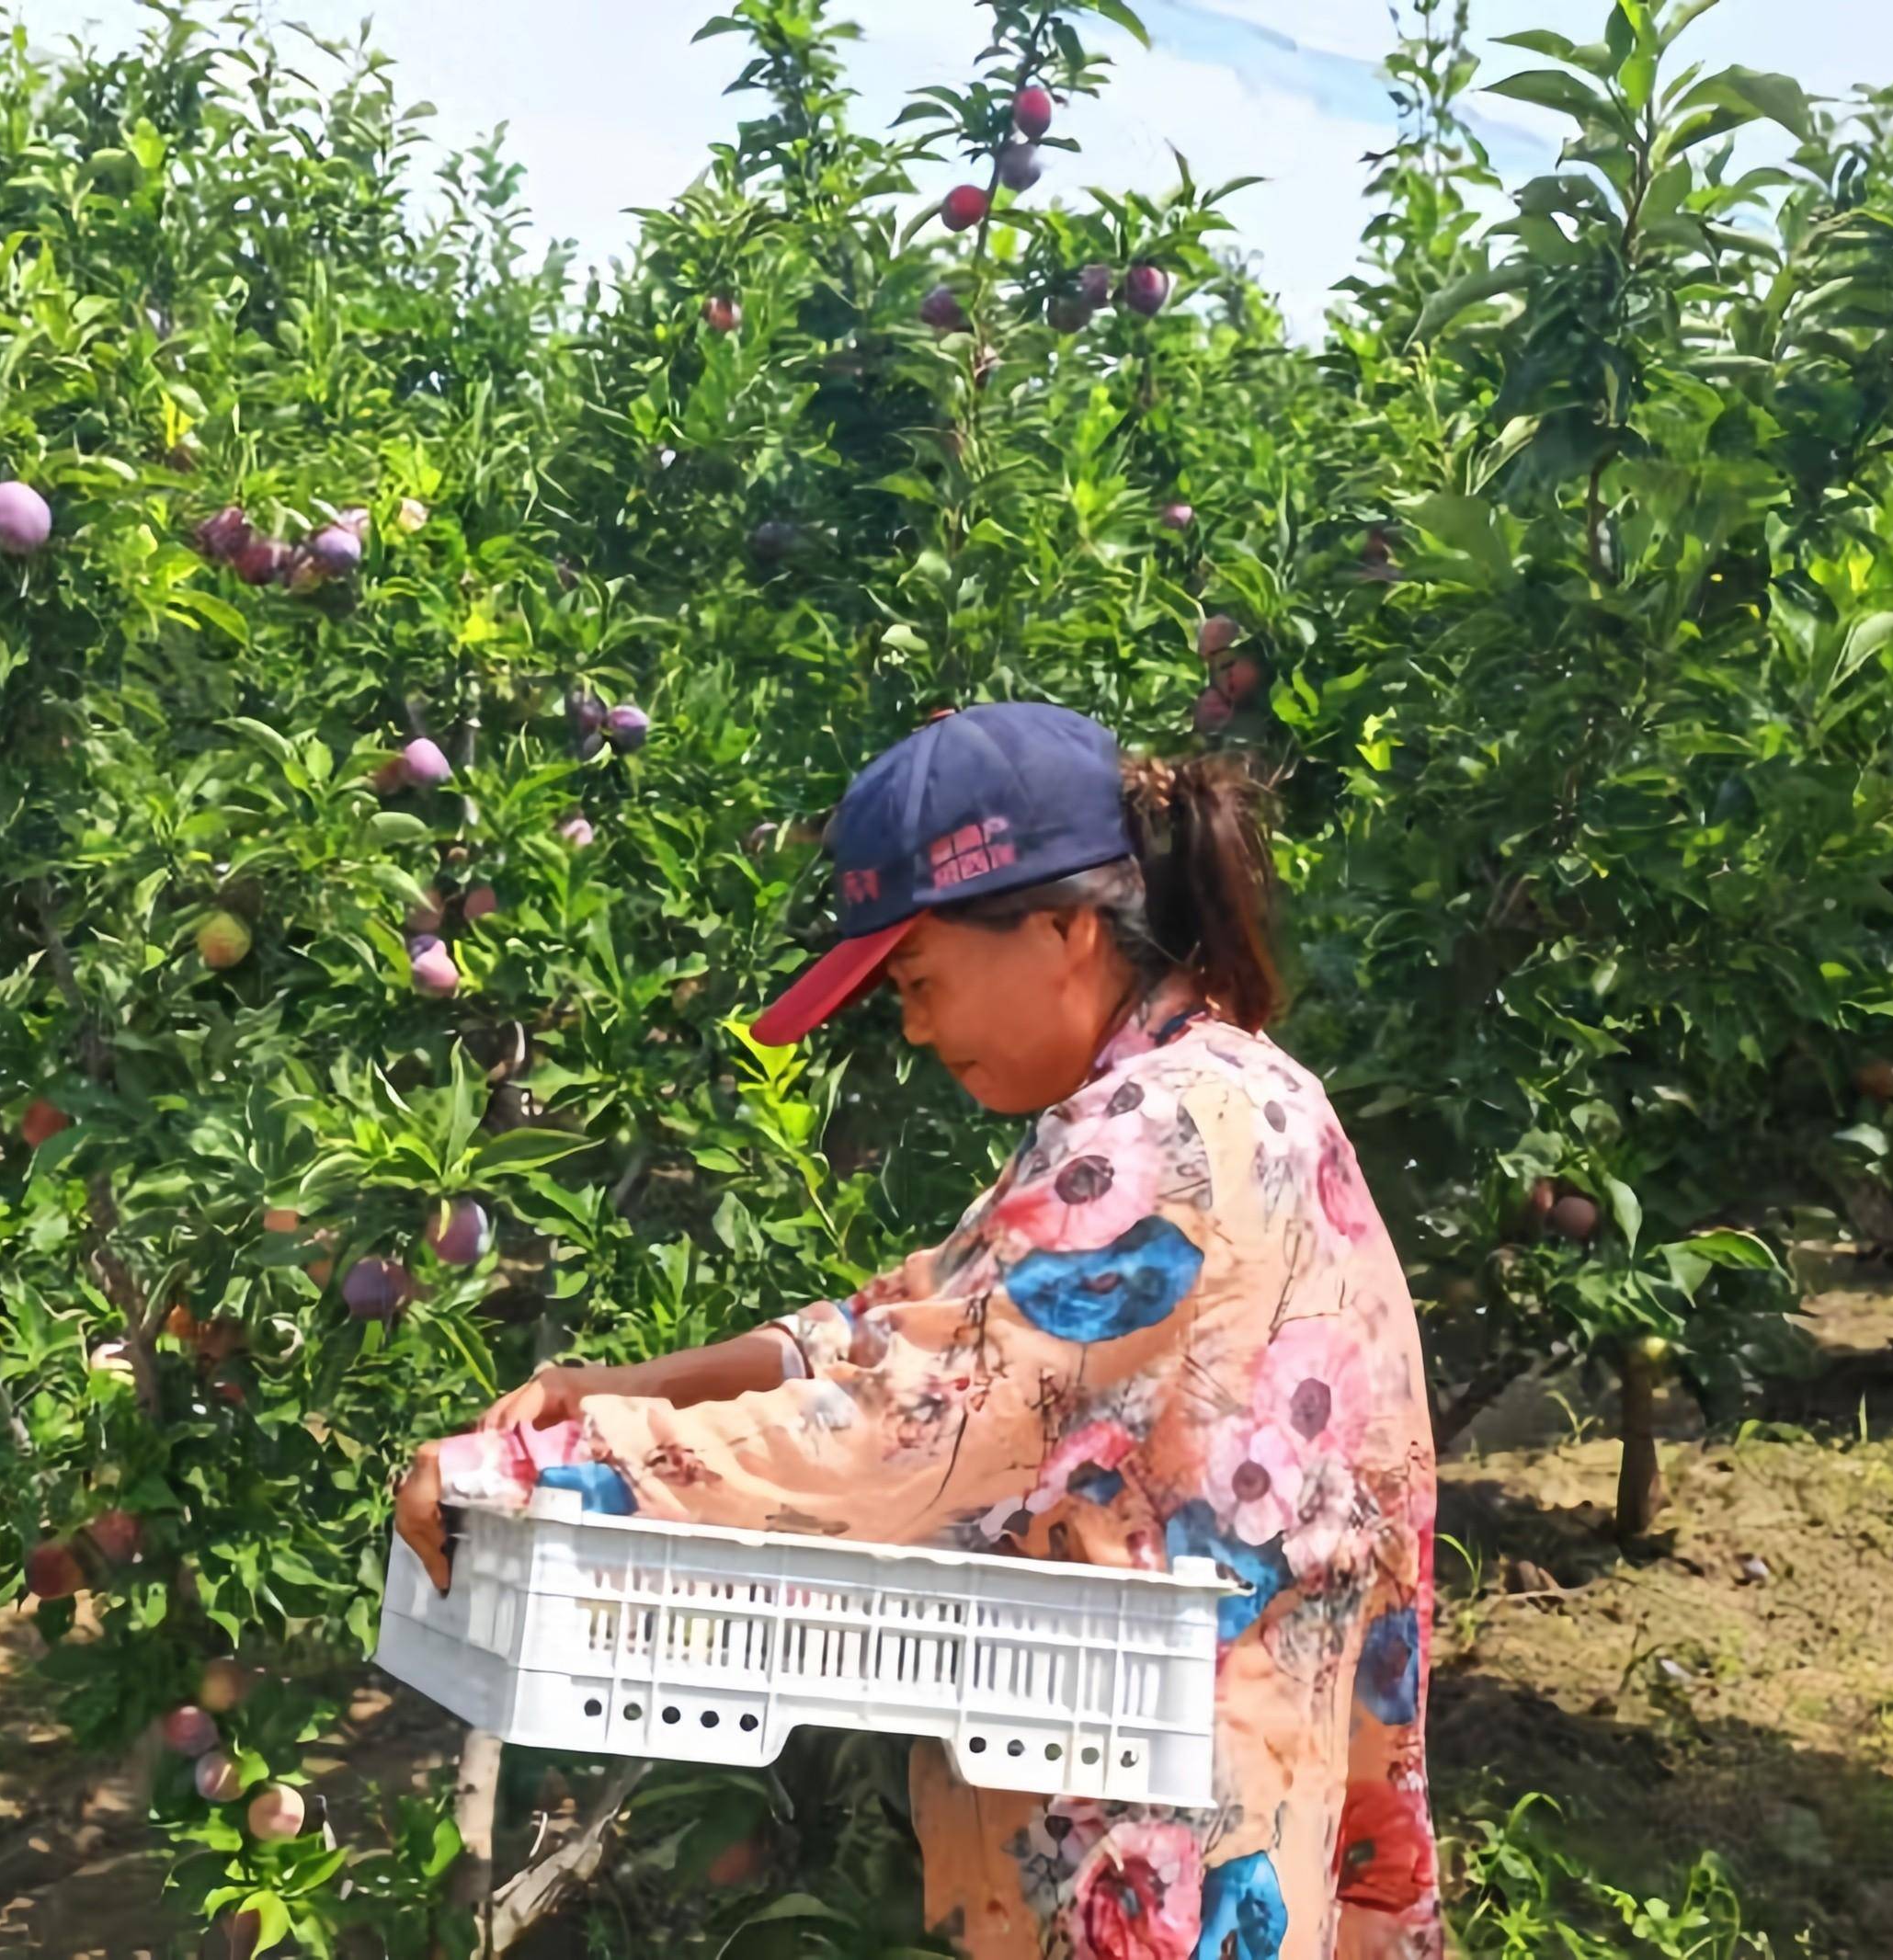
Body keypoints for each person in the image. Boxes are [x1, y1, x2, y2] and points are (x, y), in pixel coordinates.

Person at [395, 703, 1442, 1959]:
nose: (915, 1025)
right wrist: (638, 1381)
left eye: (919, 980)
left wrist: (518, 1475)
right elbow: (921, 1317)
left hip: (1163, 1843)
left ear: (1061, 929)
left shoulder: (1158, 1137)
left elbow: (914, 1426)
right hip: (1231, 1792)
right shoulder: (1224, 1091)